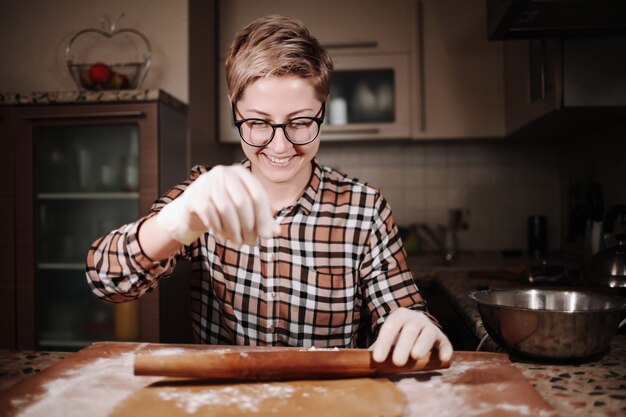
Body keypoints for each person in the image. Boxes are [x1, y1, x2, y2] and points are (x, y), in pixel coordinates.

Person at [86, 15, 453, 366]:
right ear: (235, 109)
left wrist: (416, 327)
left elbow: (405, 313)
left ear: (322, 110)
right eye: (259, 123)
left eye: (301, 122)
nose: (280, 147)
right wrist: (178, 219)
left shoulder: (365, 208)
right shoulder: (205, 196)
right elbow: (106, 280)